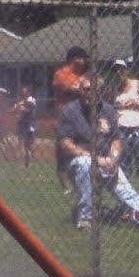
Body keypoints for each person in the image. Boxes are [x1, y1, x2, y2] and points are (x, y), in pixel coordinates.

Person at [56, 75, 139, 231]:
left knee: (126, 190)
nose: (90, 93)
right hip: (77, 162)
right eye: (86, 89)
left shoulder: (108, 110)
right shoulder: (70, 111)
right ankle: (85, 218)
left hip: (106, 161)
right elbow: (66, 145)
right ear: (80, 90)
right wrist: (98, 160)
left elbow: (116, 140)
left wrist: (113, 159)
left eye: (94, 89)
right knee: (85, 164)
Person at [108, 59, 139, 201]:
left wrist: (136, 103)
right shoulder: (113, 89)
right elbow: (110, 108)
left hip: (138, 128)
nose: (118, 72)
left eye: (121, 69)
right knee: (124, 165)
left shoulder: (136, 84)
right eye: (115, 70)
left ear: (126, 70)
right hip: (121, 129)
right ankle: (128, 198)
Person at [52, 46, 91, 193]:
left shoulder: (85, 75)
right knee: (63, 151)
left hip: (82, 117)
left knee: (83, 148)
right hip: (65, 118)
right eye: (83, 58)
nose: (85, 61)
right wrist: (84, 87)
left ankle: (81, 180)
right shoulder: (62, 74)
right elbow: (74, 89)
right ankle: (67, 186)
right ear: (75, 59)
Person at [13, 83, 37, 168]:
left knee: (28, 144)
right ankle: (23, 163)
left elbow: (28, 109)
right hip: (22, 124)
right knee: (21, 143)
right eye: (23, 92)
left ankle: (29, 162)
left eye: (25, 92)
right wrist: (18, 107)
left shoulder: (31, 100)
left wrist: (20, 107)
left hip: (29, 124)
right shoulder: (23, 101)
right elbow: (17, 108)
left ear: (29, 92)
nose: (23, 94)